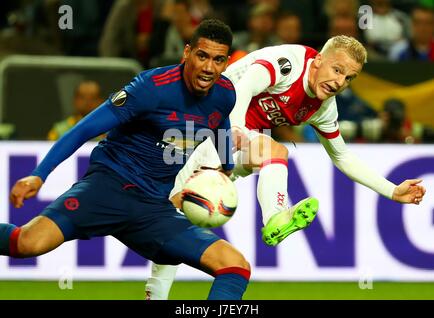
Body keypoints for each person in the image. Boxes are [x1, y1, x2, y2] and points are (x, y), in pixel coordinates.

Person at [145, 35, 427, 299]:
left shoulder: (323, 106)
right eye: (337, 70)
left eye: (349, 78)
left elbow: (342, 156)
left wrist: (392, 191)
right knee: (177, 215)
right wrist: (236, 134)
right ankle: (155, 293)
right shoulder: (287, 64)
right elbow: (241, 88)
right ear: (318, 60)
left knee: (273, 152)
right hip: (203, 122)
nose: (340, 82)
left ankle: (274, 219)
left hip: (234, 138)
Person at [1, 19, 251, 300]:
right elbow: (84, 128)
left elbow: (220, 124)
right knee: (27, 243)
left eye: (218, 60)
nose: (208, 67)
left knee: (235, 265)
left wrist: (226, 167)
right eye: (202, 56)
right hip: (108, 187)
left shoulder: (225, 94)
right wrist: (40, 174)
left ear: (226, 62)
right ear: (187, 52)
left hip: (153, 208)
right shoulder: (151, 87)